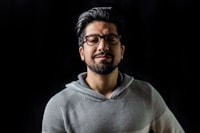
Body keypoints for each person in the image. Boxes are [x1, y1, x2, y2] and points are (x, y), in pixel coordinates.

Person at [41, 6, 185, 133]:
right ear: (82, 52)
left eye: (111, 39)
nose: (103, 46)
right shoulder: (59, 106)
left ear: (121, 51)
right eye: (93, 40)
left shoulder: (147, 95)